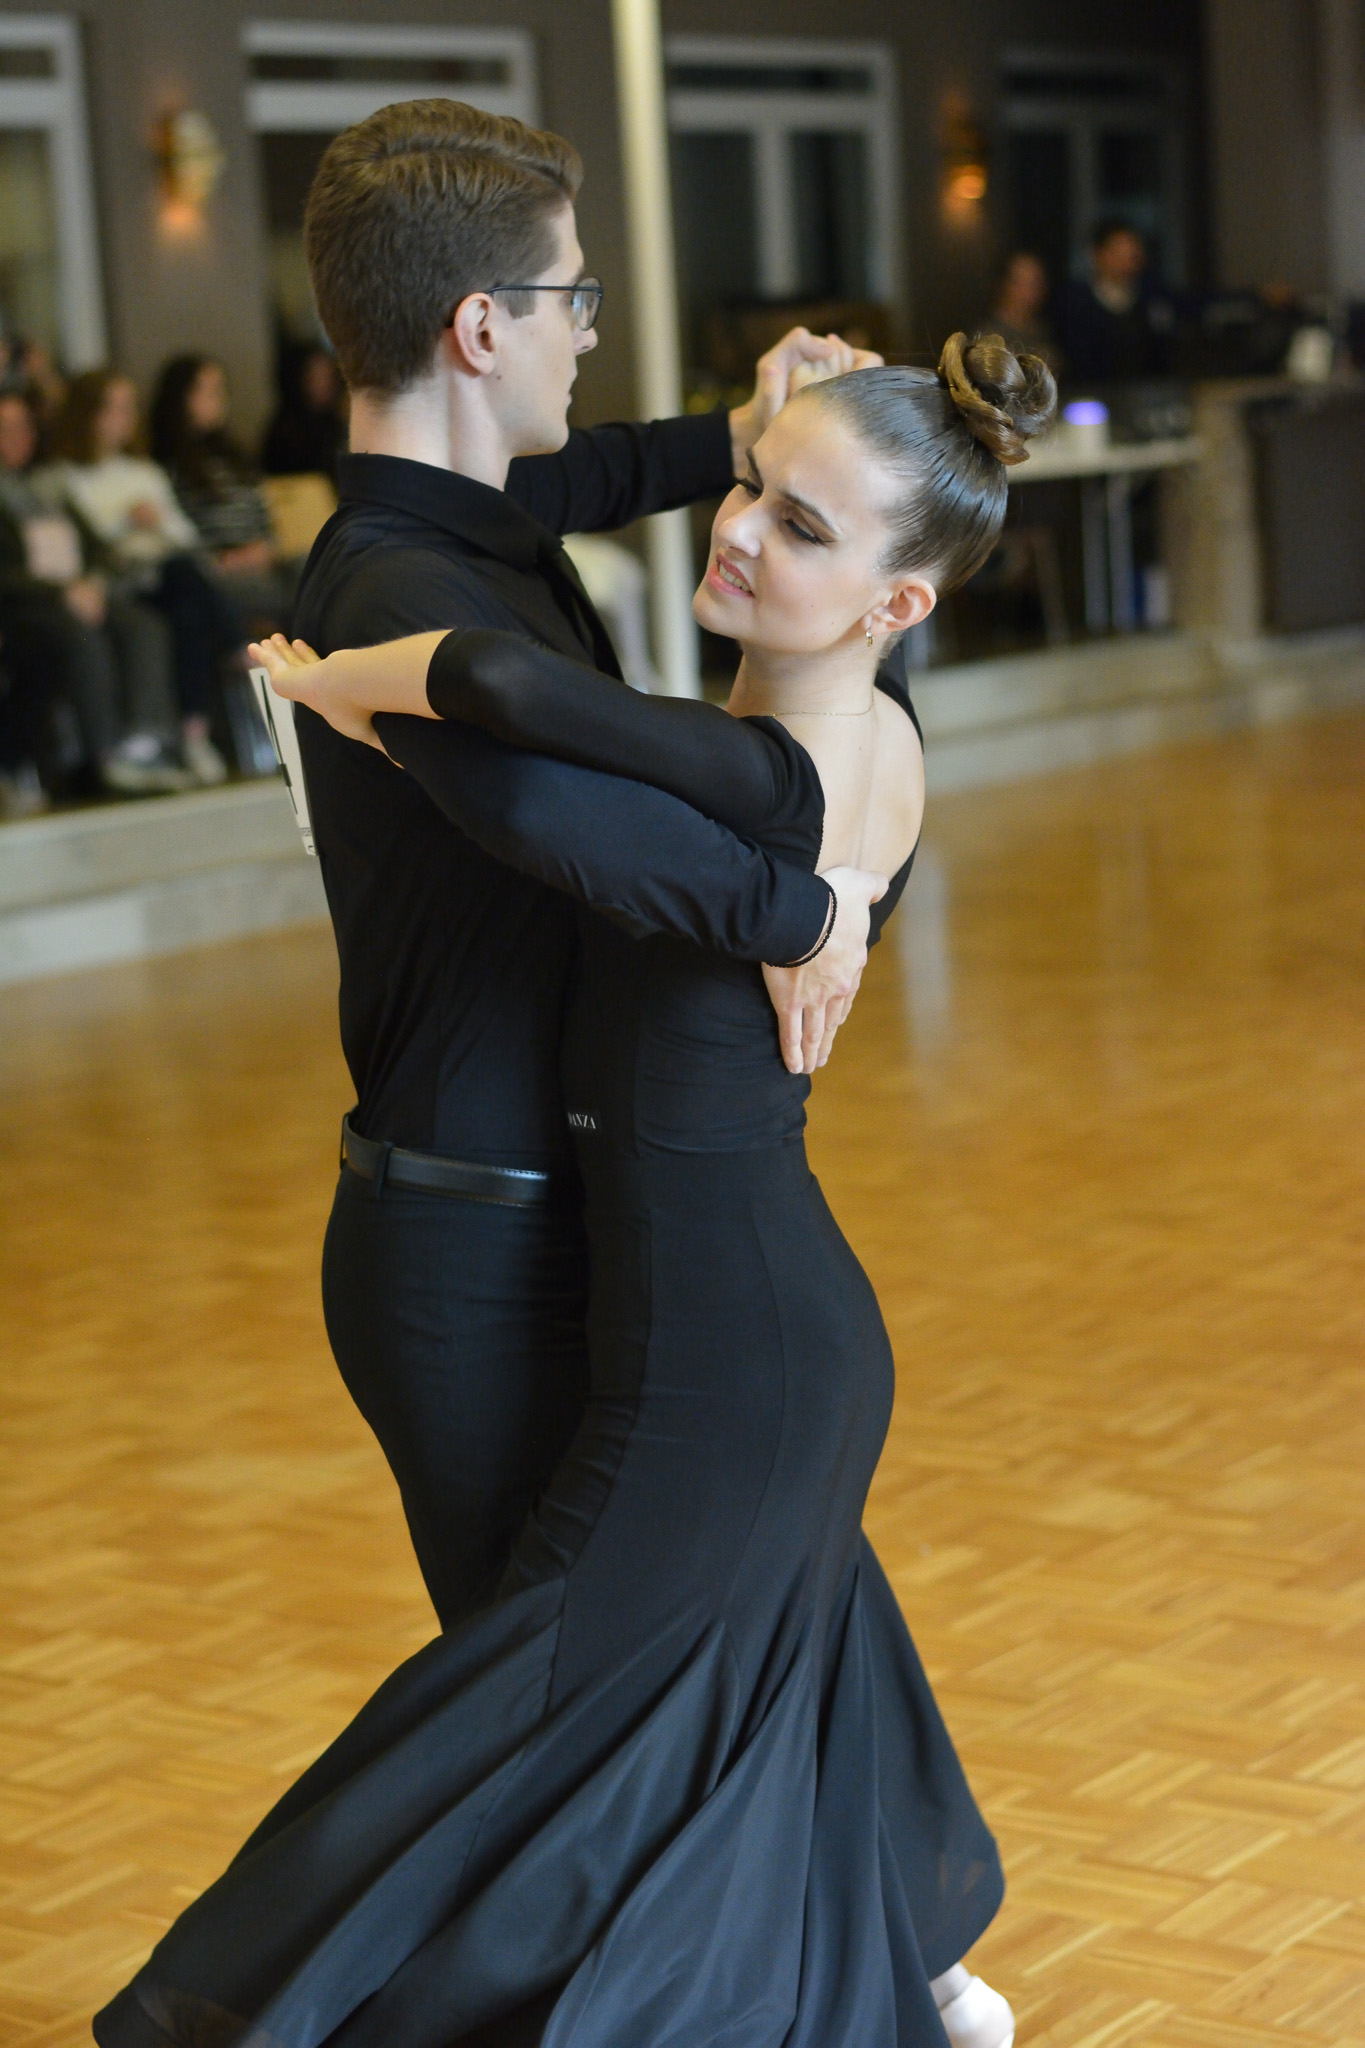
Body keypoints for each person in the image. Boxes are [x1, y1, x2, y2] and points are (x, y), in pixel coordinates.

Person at [96, 331, 1054, 2048]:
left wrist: (341, 695)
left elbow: (511, 701)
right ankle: (855, 1986)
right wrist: (377, 707)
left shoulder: (789, 775)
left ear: (897, 604)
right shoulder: (805, 731)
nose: (741, 529)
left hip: (730, 1351)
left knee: (529, 1696)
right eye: (752, 486)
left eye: (804, 526)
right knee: (676, 1713)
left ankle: (221, 2015)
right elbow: (527, 703)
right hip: (737, 1325)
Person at [233, 99, 883, 1647]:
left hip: (535, 1206)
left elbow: (605, 470)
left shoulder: (471, 518)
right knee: (548, 1717)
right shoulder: (393, 583)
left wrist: (753, 431)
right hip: (470, 1246)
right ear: (480, 327)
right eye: (572, 297)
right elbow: (548, 809)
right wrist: (803, 911)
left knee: (632, 1695)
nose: (587, 331)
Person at [43, 369, 239, 785]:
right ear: (88, 413)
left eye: (128, 408)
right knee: (182, 579)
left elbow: (184, 535)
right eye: (112, 408)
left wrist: (155, 522)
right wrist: (127, 521)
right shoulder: (64, 477)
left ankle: (192, 734)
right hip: (119, 579)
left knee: (187, 610)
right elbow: (90, 542)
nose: (122, 419)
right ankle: (239, 644)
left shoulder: (144, 471)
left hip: (166, 577)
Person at [0, 386, 187, 797]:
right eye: (7, 427)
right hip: (24, 606)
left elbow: (97, 547)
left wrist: (92, 582)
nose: (18, 436)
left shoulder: (47, 488)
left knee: (143, 625)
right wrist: (61, 591)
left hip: (77, 594)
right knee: (81, 636)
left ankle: (144, 743)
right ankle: (104, 756)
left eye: (24, 426)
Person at [149, 353, 295, 632]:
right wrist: (228, 560)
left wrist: (264, 550)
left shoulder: (236, 458)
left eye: (220, 390)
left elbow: (265, 521)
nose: (218, 399)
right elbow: (180, 535)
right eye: (208, 391)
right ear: (181, 398)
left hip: (261, 562)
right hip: (218, 572)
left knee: (310, 568)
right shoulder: (168, 469)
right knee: (303, 596)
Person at [1059, 220, 1176, 386]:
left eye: (1132, 253)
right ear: (1098, 254)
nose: (1127, 260)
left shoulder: (1152, 296)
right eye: (1118, 252)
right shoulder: (1076, 302)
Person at [261, 342, 347, 477]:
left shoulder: (340, 424)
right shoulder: (284, 433)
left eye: (327, 376)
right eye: (316, 376)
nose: (324, 383)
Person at [982, 250, 1060, 372]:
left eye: (1036, 284)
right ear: (1004, 286)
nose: (1030, 292)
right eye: (1022, 283)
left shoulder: (1044, 333)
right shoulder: (986, 340)